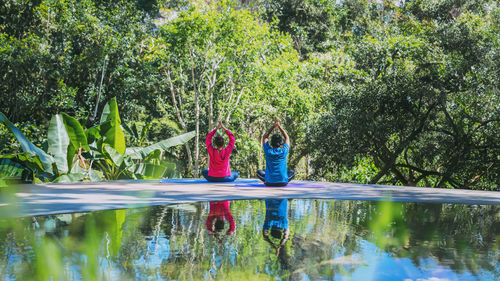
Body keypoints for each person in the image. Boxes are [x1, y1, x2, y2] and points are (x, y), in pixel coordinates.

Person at [257, 117, 295, 186]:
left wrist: (273, 126)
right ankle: (280, 179)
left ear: (271, 142)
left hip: (269, 182)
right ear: (281, 142)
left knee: (259, 172)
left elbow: (265, 137)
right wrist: (279, 126)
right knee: (291, 172)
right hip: (283, 182)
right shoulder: (284, 151)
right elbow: (287, 137)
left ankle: (269, 178)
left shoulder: (268, 151)